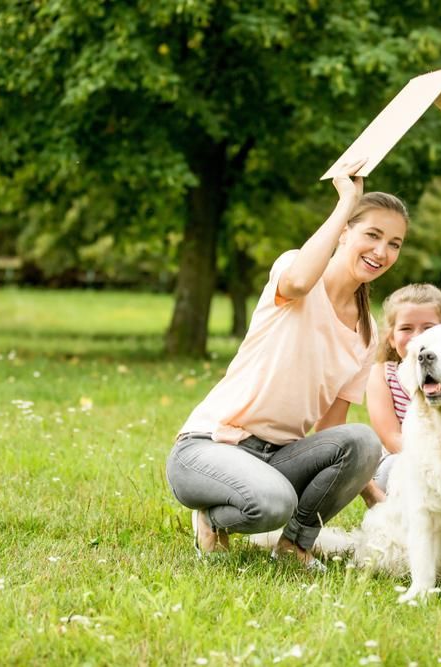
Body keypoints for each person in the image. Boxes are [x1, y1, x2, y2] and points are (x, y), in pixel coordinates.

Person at [165, 159, 408, 570]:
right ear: (345, 232)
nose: (382, 252)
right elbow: (298, 282)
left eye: (395, 243)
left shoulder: (366, 331)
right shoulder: (297, 273)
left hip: (278, 458)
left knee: (364, 440)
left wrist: (377, 501)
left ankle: (295, 547)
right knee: (273, 504)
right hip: (209, 448)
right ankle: (211, 516)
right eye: (372, 235)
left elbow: (332, 430)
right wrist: (346, 201)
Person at [365, 283, 441, 501]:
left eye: (428, 328)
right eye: (406, 328)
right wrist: (436, 463)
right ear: (391, 337)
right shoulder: (382, 374)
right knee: (401, 471)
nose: (418, 337)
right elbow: (390, 437)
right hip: (401, 461)